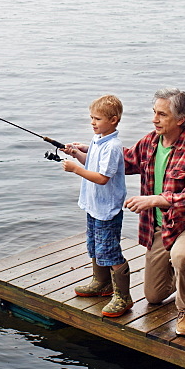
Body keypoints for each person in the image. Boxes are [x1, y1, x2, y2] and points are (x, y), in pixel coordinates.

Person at [123, 88, 185, 337]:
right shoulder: (150, 141)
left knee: (183, 255)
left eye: (162, 115)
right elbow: (125, 160)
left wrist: (155, 200)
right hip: (160, 230)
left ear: (180, 120)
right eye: (154, 112)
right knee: (153, 296)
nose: (154, 119)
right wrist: (86, 153)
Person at [62, 94, 131, 318]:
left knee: (109, 251)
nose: (93, 122)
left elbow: (102, 178)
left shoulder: (112, 146)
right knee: (94, 246)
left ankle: (123, 297)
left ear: (114, 120)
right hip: (93, 207)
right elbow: (90, 163)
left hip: (107, 210)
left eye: (98, 119)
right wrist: (78, 155)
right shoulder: (97, 140)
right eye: (91, 118)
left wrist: (75, 169)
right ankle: (101, 283)